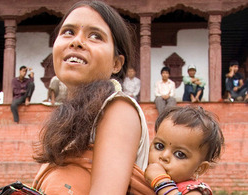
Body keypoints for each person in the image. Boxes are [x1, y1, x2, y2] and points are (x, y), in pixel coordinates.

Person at [32, 1, 153, 194]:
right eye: (68, 32)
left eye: (95, 36)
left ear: (116, 63)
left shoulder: (117, 110)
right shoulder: (69, 118)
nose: (76, 41)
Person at [145, 106, 224, 195]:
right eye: (160, 146)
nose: (164, 156)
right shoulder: (142, 176)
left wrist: (160, 181)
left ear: (199, 168)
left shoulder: (194, 191)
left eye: (180, 154)